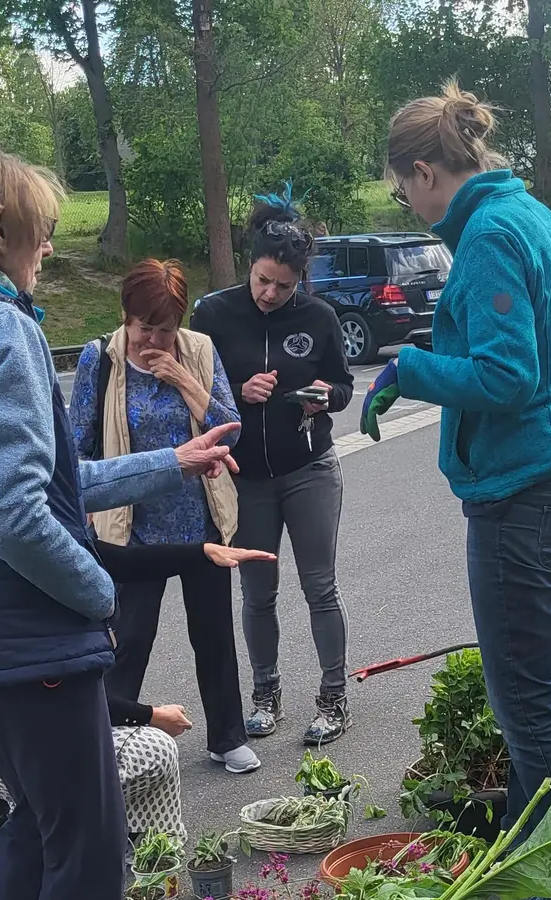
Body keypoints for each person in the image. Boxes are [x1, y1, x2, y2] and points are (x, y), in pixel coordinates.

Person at [0, 139, 242, 900]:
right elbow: (19, 514)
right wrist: (99, 593)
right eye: (42, 226)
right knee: (90, 851)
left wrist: (170, 462)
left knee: (39, 823)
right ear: (1, 231)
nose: (50, 244)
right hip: (26, 644)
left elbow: (50, 482)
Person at [363, 81, 551, 900]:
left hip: (524, 491)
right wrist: (436, 346)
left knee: (529, 706)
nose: (406, 202)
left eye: (404, 187)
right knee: (547, 690)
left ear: (426, 170)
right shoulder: (531, 215)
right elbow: (526, 337)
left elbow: (508, 373)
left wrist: (412, 366)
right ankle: (542, 857)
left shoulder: (490, 235)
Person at [69, 258, 263, 775]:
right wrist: (86, 512)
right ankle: (107, 740)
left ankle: (227, 736)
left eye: (165, 328)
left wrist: (182, 378)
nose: (152, 339)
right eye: (142, 328)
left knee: (214, 634)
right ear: (125, 317)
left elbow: (231, 430)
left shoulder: (198, 351)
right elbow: (75, 448)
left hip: (200, 522)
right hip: (131, 528)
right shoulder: (100, 359)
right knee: (129, 637)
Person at [0, 539, 274, 841]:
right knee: (154, 749)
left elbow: (123, 560)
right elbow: (80, 703)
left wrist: (203, 552)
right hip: (5, 742)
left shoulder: (38, 561)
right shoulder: (50, 622)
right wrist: (151, 716)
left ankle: (94, 833)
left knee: (66, 798)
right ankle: (87, 837)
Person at [191, 187, 357, 746]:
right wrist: (238, 394)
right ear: (250, 266)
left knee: (319, 587)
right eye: (263, 280)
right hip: (247, 480)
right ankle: (265, 694)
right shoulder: (214, 314)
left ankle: (333, 699)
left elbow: (343, 387)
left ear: (300, 280)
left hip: (309, 469)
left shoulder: (319, 315)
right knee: (257, 593)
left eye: (284, 287)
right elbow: (195, 397)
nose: (269, 294)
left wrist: (322, 398)